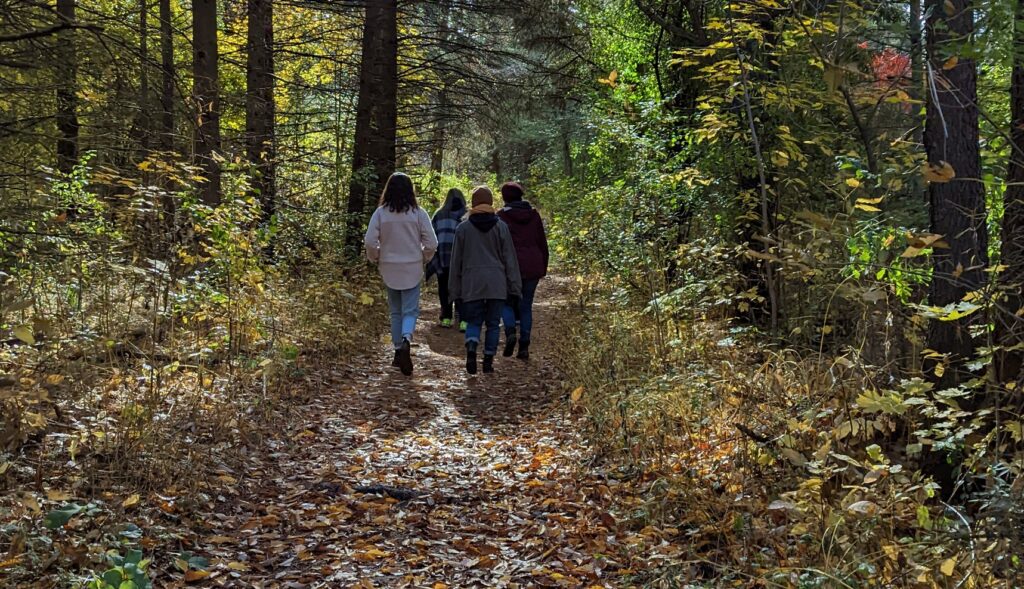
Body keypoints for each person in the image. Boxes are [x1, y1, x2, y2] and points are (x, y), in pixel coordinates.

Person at [364, 173, 438, 376]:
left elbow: (370, 241)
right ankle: (407, 338)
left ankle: (398, 351)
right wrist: (424, 257)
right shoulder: (418, 213)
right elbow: (432, 242)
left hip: (389, 267)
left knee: (395, 310)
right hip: (412, 266)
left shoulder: (380, 213)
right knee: (410, 310)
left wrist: (376, 257)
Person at [449, 186, 522, 375]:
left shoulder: (463, 228)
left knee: (473, 321)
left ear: (473, 203)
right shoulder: (501, 227)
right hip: (496, 283)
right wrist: (515, 286)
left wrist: (454, 290)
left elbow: (456, 261)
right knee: (492, 323)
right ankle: (488, 360)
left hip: (471, 282)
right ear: (490, 202)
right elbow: (510, 259)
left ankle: (472, 347)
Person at [497, 182, 549, 360]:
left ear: (505, 197)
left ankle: (510, 330)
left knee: (506, 302)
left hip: (510, 266)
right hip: (533, 264)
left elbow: (499, 245)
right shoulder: (534, 215)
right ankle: (524, 345)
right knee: (526, 305)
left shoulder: (501, 216)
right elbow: (542, 242)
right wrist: (543, 265)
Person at [426, 188, 467, 330]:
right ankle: (463, 320)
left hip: (442, 258)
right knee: (462, 288)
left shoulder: (439, 215)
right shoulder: (465, 215)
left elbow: (431, 237)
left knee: (444, 287)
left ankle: (446, 317)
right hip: (461, 260)